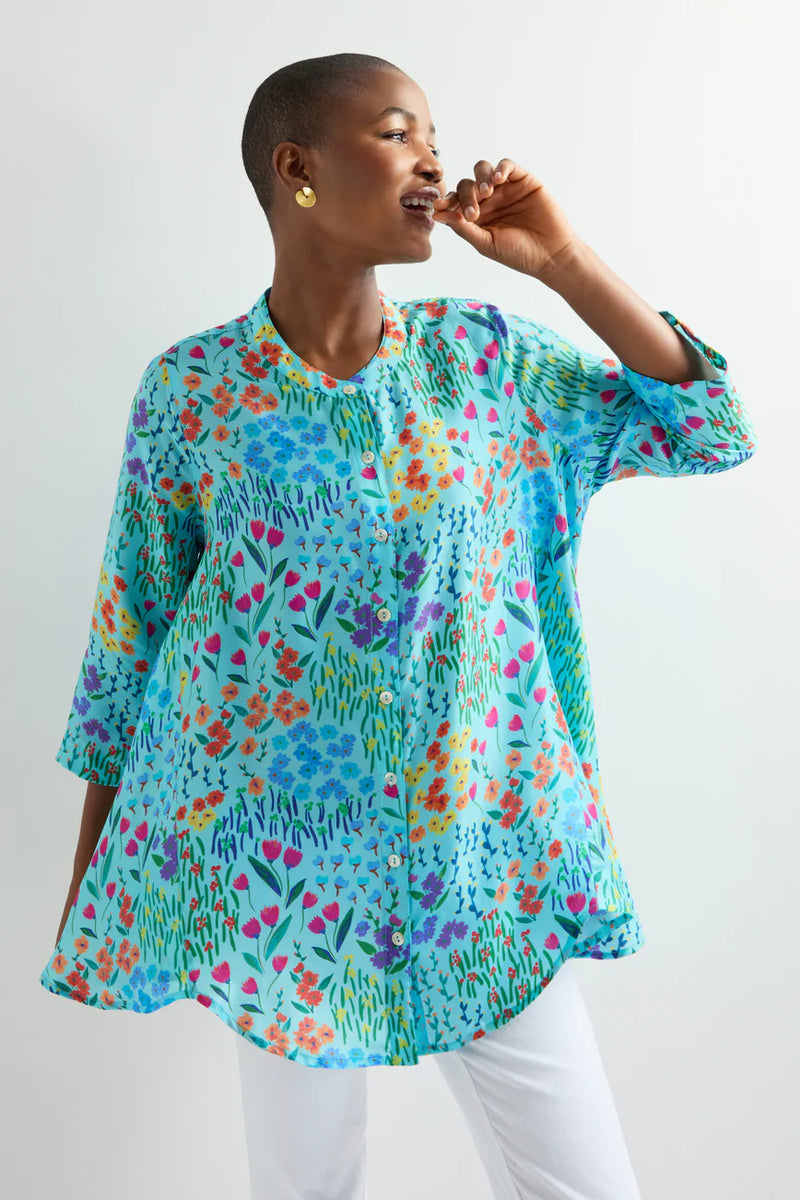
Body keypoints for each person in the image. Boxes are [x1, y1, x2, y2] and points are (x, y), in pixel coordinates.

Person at [41, 51, 757, 1200]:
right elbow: (130, 645)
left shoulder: (486, 362)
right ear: (297, 168)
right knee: (305, 1185)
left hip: (483, 862)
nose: (431, 159)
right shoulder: (192, 394)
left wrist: (562, 263)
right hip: (278, 878)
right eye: (394, 133)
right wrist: (100, 887)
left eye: (433, 135)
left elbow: (706, 426)